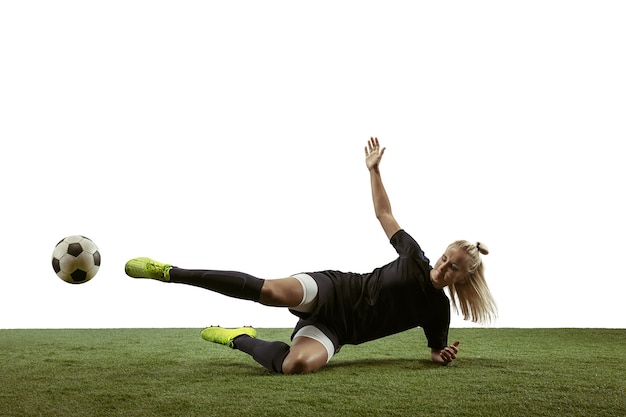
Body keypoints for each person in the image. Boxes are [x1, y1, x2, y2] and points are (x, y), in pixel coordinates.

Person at [125, 137, 497, 374]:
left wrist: (442, 356)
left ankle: (237, 337)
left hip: (339, 330)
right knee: (269, 292)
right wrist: (375, 171)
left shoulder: (438, 311)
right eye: (446, 258)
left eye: (454, 269)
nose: (444, 267)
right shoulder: (414, 255)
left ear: (463, 278)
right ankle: (172, 272)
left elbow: (434, 353)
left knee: (295, 366)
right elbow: (384, 214)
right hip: (335, 289)